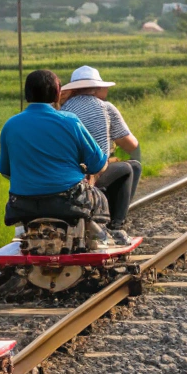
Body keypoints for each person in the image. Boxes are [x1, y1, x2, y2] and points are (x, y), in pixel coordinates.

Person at [0, 69, 112, 244]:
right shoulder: (70, 121)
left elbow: (6, 171)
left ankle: (24, 237)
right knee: (100, 199)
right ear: (58, 92)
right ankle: (103, 238)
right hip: (68, 199)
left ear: (27, 94)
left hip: (22, 204)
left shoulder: (10, 125)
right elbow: (98, 164)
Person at [59, 65, 141, 245]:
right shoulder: (105, 107)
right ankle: (116, 225)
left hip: (64, 174)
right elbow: (131, 144)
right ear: (95, 88)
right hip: (91, 174)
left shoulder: (62, 109)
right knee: (131, 167)